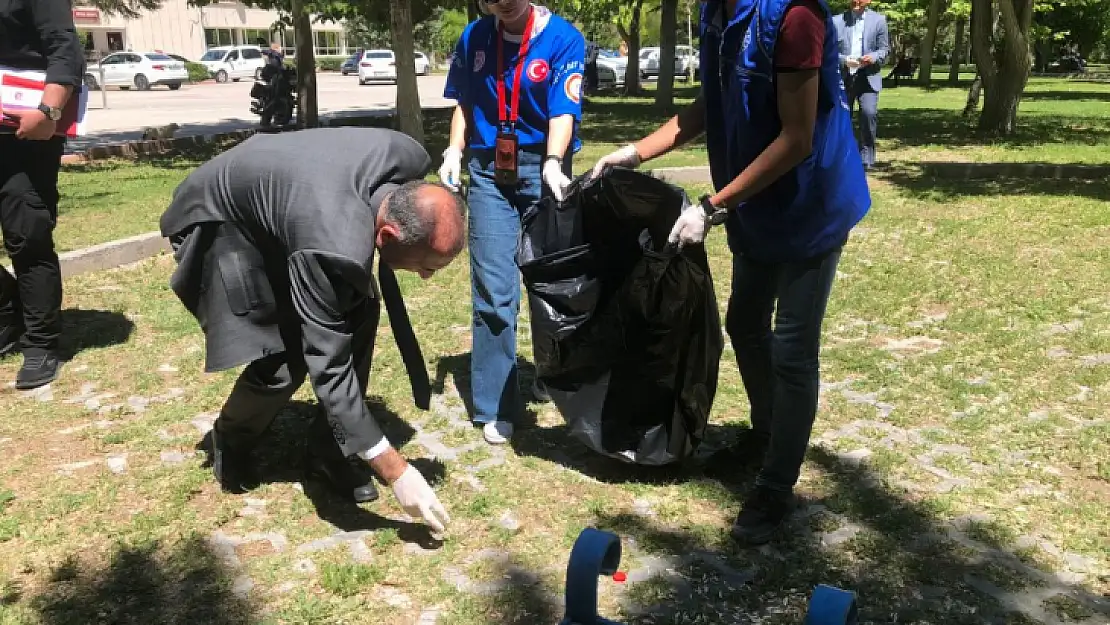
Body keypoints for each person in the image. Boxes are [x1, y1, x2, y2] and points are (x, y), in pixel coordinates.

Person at [591, 0, 871, 545]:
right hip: (755, 204)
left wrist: (713, 206)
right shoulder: (717, 13)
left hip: (809, 206)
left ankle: (775, 484)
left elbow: (797, 137)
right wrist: (635, 152)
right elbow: (712, 104)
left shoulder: (795, 17)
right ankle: (767, 432)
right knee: (744, 323)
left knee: (792, 349)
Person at [159, 128, 464, 533]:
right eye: (427, 265)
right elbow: (330, 370)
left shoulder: (408, 155)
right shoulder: (330, 241)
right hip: (220, 218)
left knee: (359, 313)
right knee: (283, 349)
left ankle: (329, 452)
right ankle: (229, 439)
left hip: (290, 203)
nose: (425, 277)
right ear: (388, 234)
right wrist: (397, 472)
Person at [439, 0, 586, 445]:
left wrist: (554, 162)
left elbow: (565, 108)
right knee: (494, 291)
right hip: (488, 173)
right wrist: (454, 150)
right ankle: (495, 404)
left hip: (542, 168)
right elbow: (465, 100)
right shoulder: (475, 36)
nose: (499, 2)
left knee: (554, 285)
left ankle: (554, 375)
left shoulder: (563, 38)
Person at [0, 0, 85, 389]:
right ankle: (9, 313)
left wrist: (49, 112)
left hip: (25, 134)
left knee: (27, 235)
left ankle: (41, 342)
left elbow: (62, 46)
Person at [832, 0, 889, 169]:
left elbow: (884, 50)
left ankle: (867, 158)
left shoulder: (879, 21)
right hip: (844, 77)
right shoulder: (836, 22)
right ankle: (843, 155)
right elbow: (829, 51)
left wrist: (873, 57)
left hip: (868, 77)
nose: (856, 1)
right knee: (842, 118)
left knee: (869, 114)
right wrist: (844, 61)